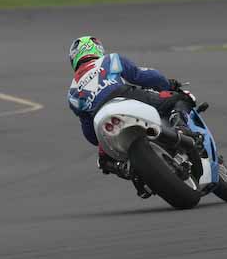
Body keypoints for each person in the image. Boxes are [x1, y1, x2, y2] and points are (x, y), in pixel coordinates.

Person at [67, 36, 194, 198]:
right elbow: (143, 76)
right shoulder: (110, 59)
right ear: (97, 49)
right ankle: (181, 127)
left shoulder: (72, 93)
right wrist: (168, 85)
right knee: (180, 98)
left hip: (102, 118)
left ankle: (130, 171)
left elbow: (90, 134)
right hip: (125, 96)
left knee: (103, 159)